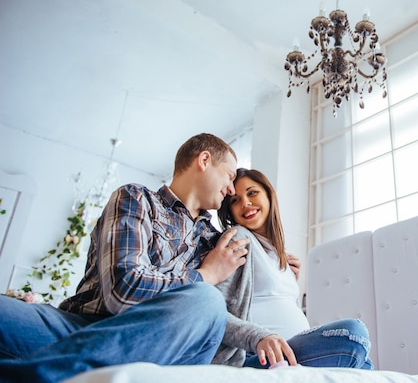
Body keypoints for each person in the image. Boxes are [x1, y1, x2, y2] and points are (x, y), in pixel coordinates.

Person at [0, 133, 250, 383]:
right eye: (229, 176)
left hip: (158, 349)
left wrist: (284, 264)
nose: (230, 190)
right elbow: (124, 289)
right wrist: (204, 275)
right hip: (80, 327)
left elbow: (218, 315)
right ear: (204, 160)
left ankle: (43, 373)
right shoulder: (137, 198)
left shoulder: (217, 242)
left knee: (208, 302)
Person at [214, 167, 373, 369]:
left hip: (291, 352)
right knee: (353, 333)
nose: (245, 202)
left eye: (252, 193)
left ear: (269, 195)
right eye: (234, 200)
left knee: (366, 363)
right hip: (258, 355)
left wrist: (289, 280)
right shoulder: (238, 238)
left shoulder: (281, 259)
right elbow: (216, 310)